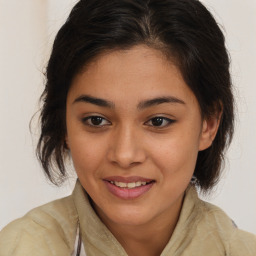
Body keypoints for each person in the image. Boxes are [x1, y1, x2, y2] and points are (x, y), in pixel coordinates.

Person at [0, 0, 255, 255]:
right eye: (96, 120)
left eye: (158, 121)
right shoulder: (18, 248)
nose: (124, 155)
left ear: (208, 124)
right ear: (64, 123)